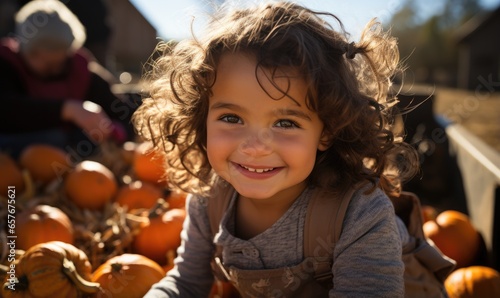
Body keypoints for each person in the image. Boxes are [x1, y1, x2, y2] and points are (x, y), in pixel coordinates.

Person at [134, 1, 418, 297]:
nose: (255, 147)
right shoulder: (209, 201)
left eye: (285, 123)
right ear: (201, 120)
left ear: (327, 131)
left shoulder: (359, 214)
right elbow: (186, 283)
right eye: (231, 118)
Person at [0, 0, 130, 157]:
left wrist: (116, 129)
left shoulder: (80, 69)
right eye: (47, 63)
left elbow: (120, 107)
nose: (55, 69)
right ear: (25, 51)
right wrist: (67, 109)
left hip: (71, 151)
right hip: (20, 143)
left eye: (60, 62)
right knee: (53, 137)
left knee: (84, 138)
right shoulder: (6, 63)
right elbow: (7, 109)